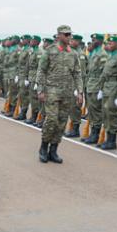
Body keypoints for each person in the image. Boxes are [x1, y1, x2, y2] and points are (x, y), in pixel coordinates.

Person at [36, 25, 84, 163]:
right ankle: (44, 147)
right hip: (52, 91)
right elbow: (41, 71)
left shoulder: (73, 53)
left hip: (67, 92)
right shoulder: (50, 51)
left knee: (62, 122)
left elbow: (77, 73)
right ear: (59, 36)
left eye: (70, 35)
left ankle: (54, 150)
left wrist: (80, 92)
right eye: (66, 34)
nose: (69, 37)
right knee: (51, 120)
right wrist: (40, 89)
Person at [96, 36, 117, 150]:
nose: (109, 45)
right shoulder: (110, 56)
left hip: (114, 88)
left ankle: (112, 141)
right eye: (108, 43)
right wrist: (100, 89)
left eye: (111, 43)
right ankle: (108, 139)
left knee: (111, 114)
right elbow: (104, 74)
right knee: (105, 113)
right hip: (107, 87)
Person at [82, 34, 108, 144]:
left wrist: (101, 89)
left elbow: (103, 73)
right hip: (90, 83)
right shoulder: (94, 53)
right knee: (91, 110)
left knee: (96, 111)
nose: (92, 41)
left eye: (95, 39)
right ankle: (93, 133)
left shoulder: (102, 54)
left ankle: (95, 134)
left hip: (97, 85)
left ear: (101, 41)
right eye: (92, 39)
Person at [64, 34, 88, 137]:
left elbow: (81, 73)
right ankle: (72, 128)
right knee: (70, 106)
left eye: (73, 40)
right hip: (69, 83)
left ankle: (75, 129)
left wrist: (78, 89)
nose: (70, 41)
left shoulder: (80, 54)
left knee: (75, 107)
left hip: (75, 84)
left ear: (78, 42)